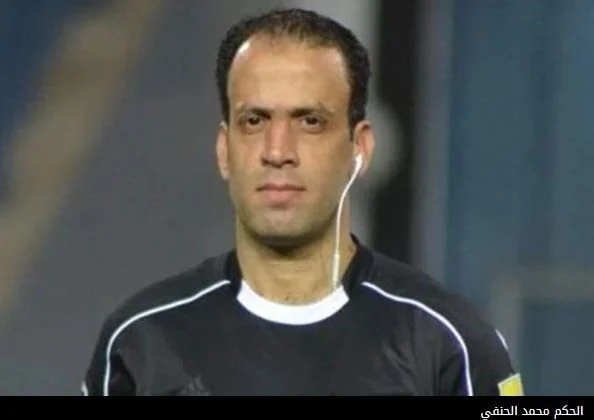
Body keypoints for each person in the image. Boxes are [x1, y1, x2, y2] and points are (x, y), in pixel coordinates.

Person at [80, 7, 523, 396]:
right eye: (254, 121)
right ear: (224, 149)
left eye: (310, 121)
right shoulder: (140, 342)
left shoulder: (451, 343)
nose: (277, 151)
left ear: (359, 149)